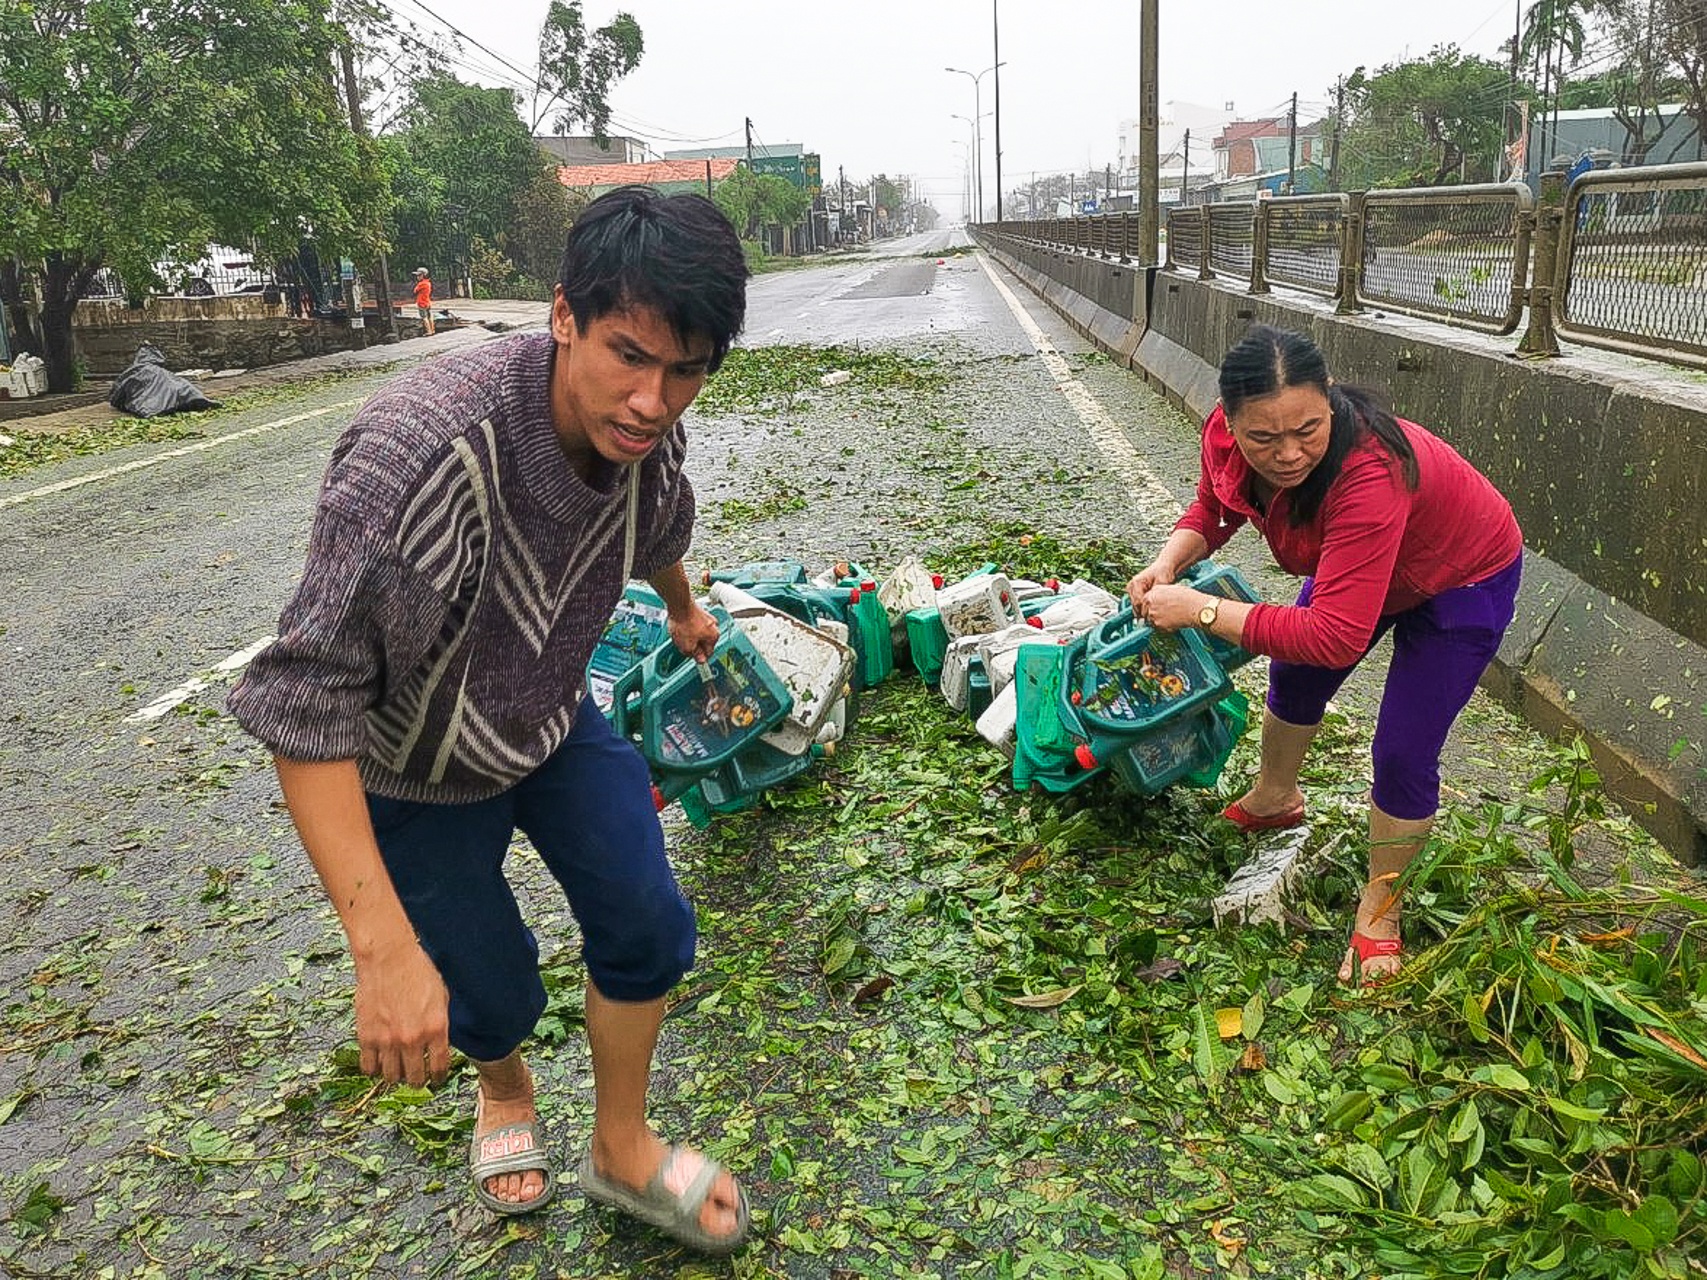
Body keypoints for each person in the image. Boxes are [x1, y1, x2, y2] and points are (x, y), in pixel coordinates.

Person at [229, 186, 752, 1252]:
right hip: (414, 768)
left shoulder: (644, 437)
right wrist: (378, 950)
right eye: (628, 354)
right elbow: (303, 698)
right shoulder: (414, 461)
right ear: (563, 315)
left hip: (552, 718)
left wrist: (685, 606)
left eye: (687, 369)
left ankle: (622, 1145)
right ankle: (504, 1087)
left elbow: (653, 517)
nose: (654, 400)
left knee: (648, 920)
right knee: (491, 987)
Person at [1126, 324, 1522, 985]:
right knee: (1295, 674)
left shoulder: (1368, 472)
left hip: (1460, 574)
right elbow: (1214, 505)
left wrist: (1198, 610)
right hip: (1365, 565)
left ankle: (1380, 908)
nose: (1286, 454)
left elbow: (1333, 633)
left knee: (1402, 748)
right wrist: (1165, 564)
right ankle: (1275, 796)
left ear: (1329, 397)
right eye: (1263, 438)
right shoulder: (1225, 437)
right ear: (1229, 420)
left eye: (1306, 430)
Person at [412, 266, 435, 336]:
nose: (417, 277)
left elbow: (415, 291)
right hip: (427, 302)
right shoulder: (428, 283)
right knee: (430, 316)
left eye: (419, 275)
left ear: (423, 275)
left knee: (424, 317)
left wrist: (417, 286)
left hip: (421, 303)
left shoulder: (421, 284)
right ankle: (433, 329)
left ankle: (429, 331)